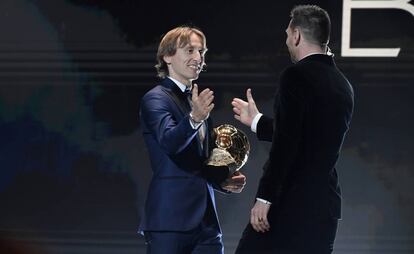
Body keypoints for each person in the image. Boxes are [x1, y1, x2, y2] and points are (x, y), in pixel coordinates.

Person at [232, 5, 354, 254]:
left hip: (290, 205)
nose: (287, 41)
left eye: (287, 35)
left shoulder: (296, 76)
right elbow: (305, 136)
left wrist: (264, 198)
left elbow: (287, 145)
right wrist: (257, 121)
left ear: (297, 35)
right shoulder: (343, 84)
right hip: (324, 209)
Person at [139, 26, 246, 254]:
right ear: (167, 56)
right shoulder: (156, 99)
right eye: (190, 51)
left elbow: (199, 163)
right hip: (169, 222)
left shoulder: (196, 102)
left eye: (202, 52)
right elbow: (169, 143)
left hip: (206, 224)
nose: (198, 58)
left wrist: (221, 182)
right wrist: (195, 118)